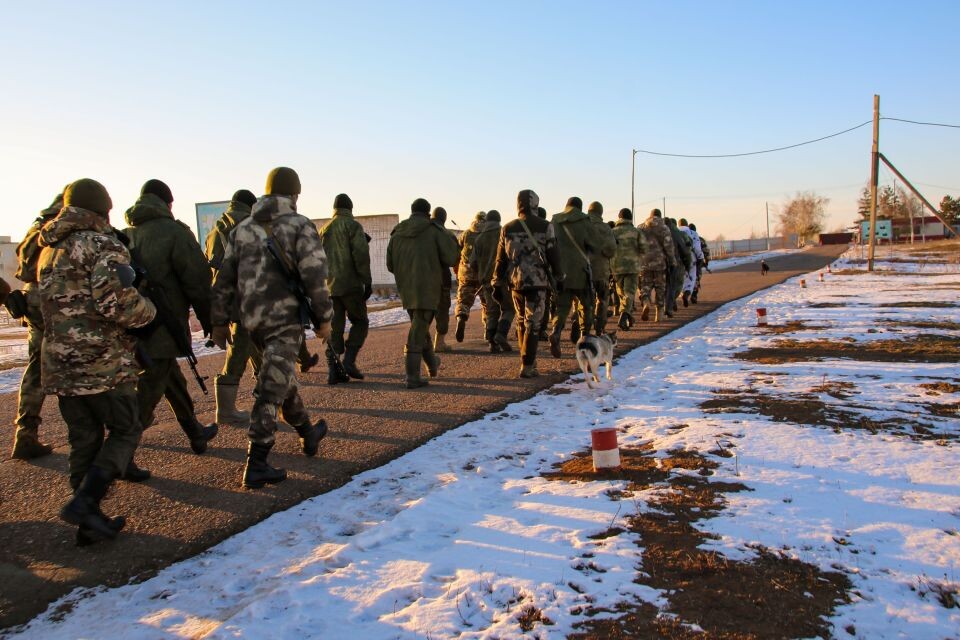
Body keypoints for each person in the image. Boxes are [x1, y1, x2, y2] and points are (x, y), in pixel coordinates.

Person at [37, 178, 157, 543]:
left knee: (83, 438)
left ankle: (88, 522)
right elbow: (116, 302)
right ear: (103, 209)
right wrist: (149, 312)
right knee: (127, 428)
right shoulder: (102, 245)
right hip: (100, 361)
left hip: (60, 361)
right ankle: (87, 502)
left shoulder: (49, 250)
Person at [211, 167, 331, 489]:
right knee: (270, 388)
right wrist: (325, 319)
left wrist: (220, 321)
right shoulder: (300, 226)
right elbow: (316, 277)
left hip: (251, 324)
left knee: (279, 379)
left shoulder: (242, 230)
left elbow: (224, 279)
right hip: (284, 322)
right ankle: (257, 462)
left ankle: (308, 431)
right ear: (294, 195)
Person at [124, 179, 218, 464]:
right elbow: (198, 282)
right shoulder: (175, 233)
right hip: (163, 323)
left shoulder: (125, 235)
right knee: (150, 386)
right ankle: (117, 455)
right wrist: (209, 320)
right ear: (168, 204)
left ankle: (194, 431)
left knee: (169, 375)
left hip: (132, 323)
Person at [8, 190, 64, 459]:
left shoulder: (36, 227)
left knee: (36, 366)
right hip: (58, 300)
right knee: (75, 362)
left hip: (31, 298)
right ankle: (93, 434)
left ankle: (26, 433)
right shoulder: (62, 228)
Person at [386, 198, 459, 388]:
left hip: (406, 288)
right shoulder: (433, 230)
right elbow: (452, 257)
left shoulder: (397, 232)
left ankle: (432, 365)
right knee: (419, 328)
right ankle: (412, 376)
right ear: (428, 213)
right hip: (428, 287)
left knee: (420, 326)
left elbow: (390, 264)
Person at [492, 189, 563, 378]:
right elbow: (553, 254)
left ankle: (526, 361)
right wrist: (559, 276)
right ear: (535, 204)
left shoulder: (507, 228)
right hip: (538, 283)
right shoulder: (545, 226)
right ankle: (528, 365)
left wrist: (497, 281)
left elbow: (500, 259)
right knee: (534, 323)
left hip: (515, 282)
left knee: (522, 320)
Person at [205, 189, 261, 425]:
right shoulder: (250, 226)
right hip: (247, 297)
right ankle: (226, 410)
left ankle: (270, 387)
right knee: (240, 346)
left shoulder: (215, 230)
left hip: (224, 296)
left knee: (251, 344)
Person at [318, 193, 372, 382]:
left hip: (330, 288)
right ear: (350, 208)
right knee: (360, 322)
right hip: (351, 286)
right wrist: (367, 281)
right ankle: (349, 361)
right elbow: (361, 257)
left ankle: (334, 371)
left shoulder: (324, 229)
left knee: (335, 329)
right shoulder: (353, 226)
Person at [549, 197, 597, 357]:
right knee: (586, 305)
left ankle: (556, 332)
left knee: (562, 307)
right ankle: (584, 337)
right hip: (581, 270)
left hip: (560, 271)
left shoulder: (555, 220)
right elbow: (594, 244)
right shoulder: (585, 221)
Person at [471, 210, 514, 352]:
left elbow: (473, 263)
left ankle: (492, 343)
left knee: (492, 311)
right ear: (499, 220)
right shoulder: (504, 234)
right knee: (508, 309)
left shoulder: (479, 238)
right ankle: (501, 334)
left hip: (486, 282)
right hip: (503, 281)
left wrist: (482, 274)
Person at [453, 212, 488, 344]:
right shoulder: (488, 234)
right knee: (487, 303)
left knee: (463, 300)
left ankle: (461, 317)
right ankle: (487, 330)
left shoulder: (466, 234)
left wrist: (457, 268)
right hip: (483, 273)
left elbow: (457, 251)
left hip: (466, 273)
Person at [639, 209, 677, 322]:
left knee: (645, 287)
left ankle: (646, 303)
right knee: (660, 288)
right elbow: (669, 247)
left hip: (644, 263)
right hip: (660, 263)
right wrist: (672, 261)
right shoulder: (664, 228)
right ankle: (658, 316)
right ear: (660, 216)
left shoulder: (641, 227)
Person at [429, 207, 459, 353]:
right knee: (442, 311)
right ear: (444, 219)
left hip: (419, 279)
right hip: (440, 279)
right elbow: (453, 259)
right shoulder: (446, 234)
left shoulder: (419, 232)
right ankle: (439, 343)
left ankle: (421, 342)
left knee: (423, 312)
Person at [585, 201, 616, 335]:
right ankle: (600, 327)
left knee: (585, 300)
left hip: (584, 270)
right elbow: (611, 249)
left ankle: (584, 324)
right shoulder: (605, 228)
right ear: (600, 212)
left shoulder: (582, 225)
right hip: (601, 270)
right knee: (603, 299)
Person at [611, 208, 644, 330]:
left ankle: (627, 316)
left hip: (616, 267)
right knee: (629, 293)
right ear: (630, 218)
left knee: (621, 293)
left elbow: (608, 248)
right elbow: (644, 248)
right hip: (632, 267)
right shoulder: (636, 232)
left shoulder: (612, 232)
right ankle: (624, 315)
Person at [664, 217, 692, 317]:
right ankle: (669, 306)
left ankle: (663, 305)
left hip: (659, 263)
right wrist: (688, 265)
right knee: (674, 285)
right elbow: (686, 251)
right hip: (675, 263)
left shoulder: (658, 233)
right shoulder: (679, 234)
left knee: (663, 286)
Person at [677, 218, 704, 307]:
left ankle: (678, 294)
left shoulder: (675, 232)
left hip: (678, 260)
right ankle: (687, 293)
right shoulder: (693, 233)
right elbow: (697, 247)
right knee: (691, 279)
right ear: (687, 224)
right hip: (691, 259)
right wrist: (700, 257)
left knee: (679, 279)